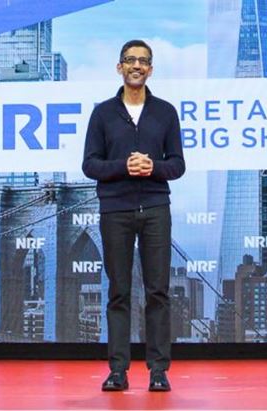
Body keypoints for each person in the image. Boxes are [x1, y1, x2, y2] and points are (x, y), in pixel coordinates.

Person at [82, 39, 185, 392]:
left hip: (156, 208)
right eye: (130, 60)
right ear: (120, 67)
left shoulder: (166, 113)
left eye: (143, 61)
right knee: (119, 292)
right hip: (116, 209)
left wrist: (152, 166)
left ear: (150, 69)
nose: (136, 65)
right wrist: (123, 167)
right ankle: (117, 371)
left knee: (158, 292)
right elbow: (90, 164)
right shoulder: (103, 114)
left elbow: (178, 165)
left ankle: (158, 370)